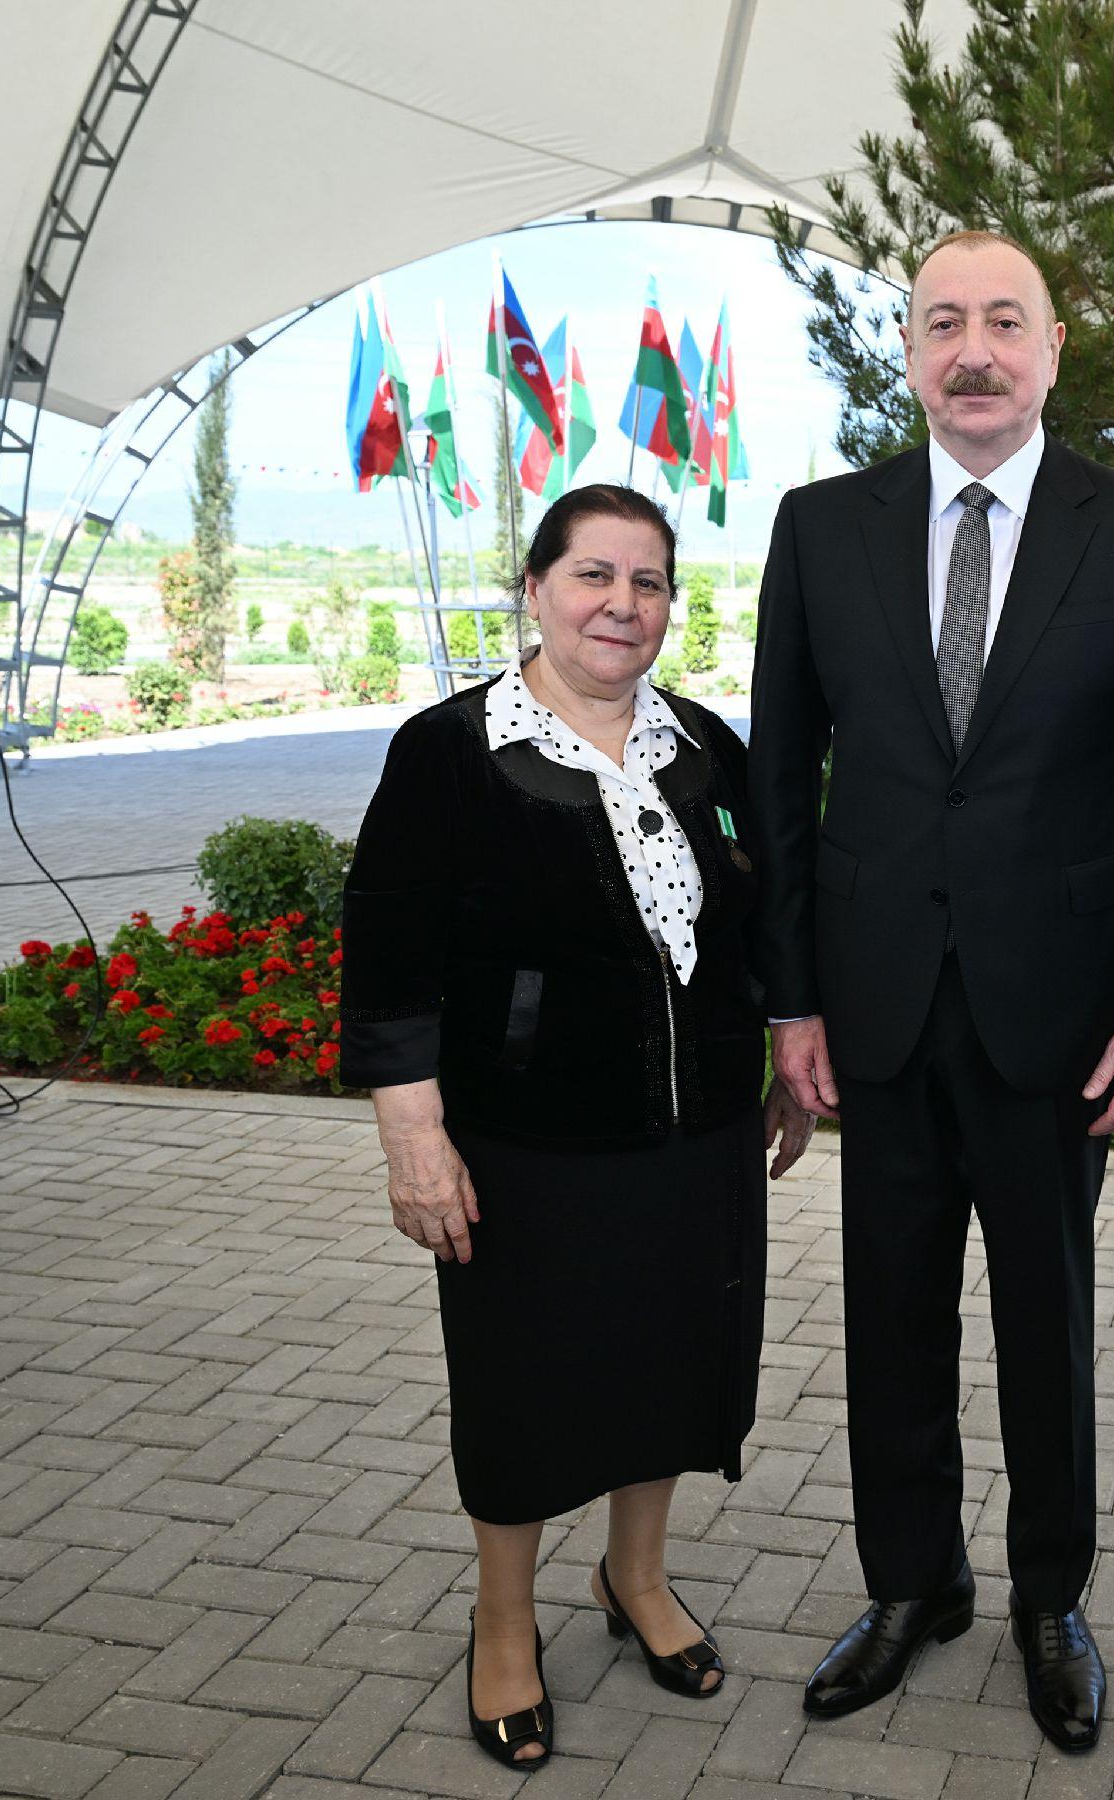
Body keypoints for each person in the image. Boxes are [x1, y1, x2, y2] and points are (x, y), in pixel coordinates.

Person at [750, 230, 1114, 1750]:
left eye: (1004, 322)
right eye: (942, 323)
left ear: (1052, 350)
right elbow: (780, 780)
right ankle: (912, 1586)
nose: (973, 351)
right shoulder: (822, 528)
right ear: (908, 352)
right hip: (877, 1006)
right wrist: (791, 1000)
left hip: (1065, 1018)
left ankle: (1049, 1597)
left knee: (1047, 1323)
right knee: (891, 1316)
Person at [340, 483, 814, 1774]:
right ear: (536, 589)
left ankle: (635, 1578)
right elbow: (388, 956)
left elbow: (757, 923)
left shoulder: (704, 745)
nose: (622, 605)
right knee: (525, 1389)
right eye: (594, 576)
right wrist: (413, 1136)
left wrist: (780, 1059)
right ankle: (504, 1621)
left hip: (698, 1137)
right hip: (527, 1147)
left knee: (672, 1366)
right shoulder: (449, 751)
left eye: (648, 582)